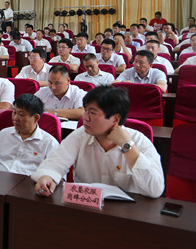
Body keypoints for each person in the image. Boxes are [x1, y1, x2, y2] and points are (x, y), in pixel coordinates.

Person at [32, 85, 164, 198]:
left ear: (115, 119)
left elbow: (155, 189)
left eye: (93, 113)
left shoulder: (139, 141)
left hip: (125, 214)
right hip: (85, 207)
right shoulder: (80, 135)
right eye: (85, 111)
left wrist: (127, 146)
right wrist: (47, 177)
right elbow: (54, 164)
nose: (85, 118)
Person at [0, 94, 58, 174]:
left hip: (27, 181)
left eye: (21, 114)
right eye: (14, 112)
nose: (15, 118)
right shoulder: (3, 134)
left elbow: (54, 174)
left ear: (36, 118)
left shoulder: (49, 143)